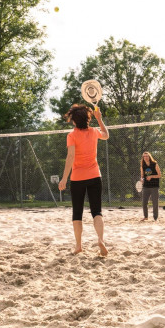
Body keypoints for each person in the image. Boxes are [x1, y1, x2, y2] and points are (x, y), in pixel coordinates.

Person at [58, 104, 110, 256]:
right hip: (95, 176)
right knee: (97, 211)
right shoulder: (94, 131)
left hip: (78, 178)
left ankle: (78, 246)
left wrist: (64, 178)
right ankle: (100, 239)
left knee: (77, 213)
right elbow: (106, 135)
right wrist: (99, 119)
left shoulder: (72, 135)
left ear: (74, 121)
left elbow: (70, 157)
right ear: (88, 119)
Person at [140, 152, 162, 222]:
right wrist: (142, 179)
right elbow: (142, 176)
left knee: (155, 202)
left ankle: (155, 218)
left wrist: (151, 176)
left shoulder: (154, 164)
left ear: (149, 157)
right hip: (146, 186)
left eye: (147, 156)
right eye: (144, 156)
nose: (146, 157)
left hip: (154, 186)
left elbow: (159, 175)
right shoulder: (142, 166)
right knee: (144, 202)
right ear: (143, 158)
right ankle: (145, 217)